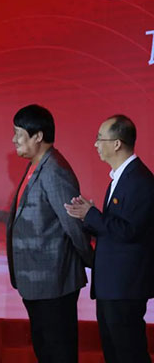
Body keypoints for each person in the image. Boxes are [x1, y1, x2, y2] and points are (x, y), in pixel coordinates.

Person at [7, 105, 93, 363]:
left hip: (54, 284)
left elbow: (73, 225)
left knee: (58, 352)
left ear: (38, 136)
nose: (14, 139)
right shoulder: (36, 166)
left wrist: (91, 260)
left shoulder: (54, 170)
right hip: (37, 283)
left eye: (18, 133)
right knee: (45, 350)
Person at [65, 115, 154, 363]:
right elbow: (115, 228)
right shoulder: (121, 177)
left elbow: (130, 230)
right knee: (114, 352)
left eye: (100, 139)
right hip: (112, 285)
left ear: (117, 143)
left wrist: (92, 215)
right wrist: (88, 217)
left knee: (129, 353)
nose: (95, 144)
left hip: (125, 287)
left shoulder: (140, 181)